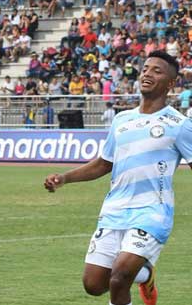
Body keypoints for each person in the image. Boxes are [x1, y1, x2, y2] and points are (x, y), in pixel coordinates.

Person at [44, 51, 192, 305]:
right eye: (146, 68)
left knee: (119, 278)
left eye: (157, 70)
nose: (147, 73)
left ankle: (136, 274)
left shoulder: (179, 124)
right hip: (114, 211)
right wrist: (65, 178)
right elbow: (104, 163)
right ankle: (146, 275)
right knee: (93, 284)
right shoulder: (122, 120)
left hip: (152, 212)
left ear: (170, 84)